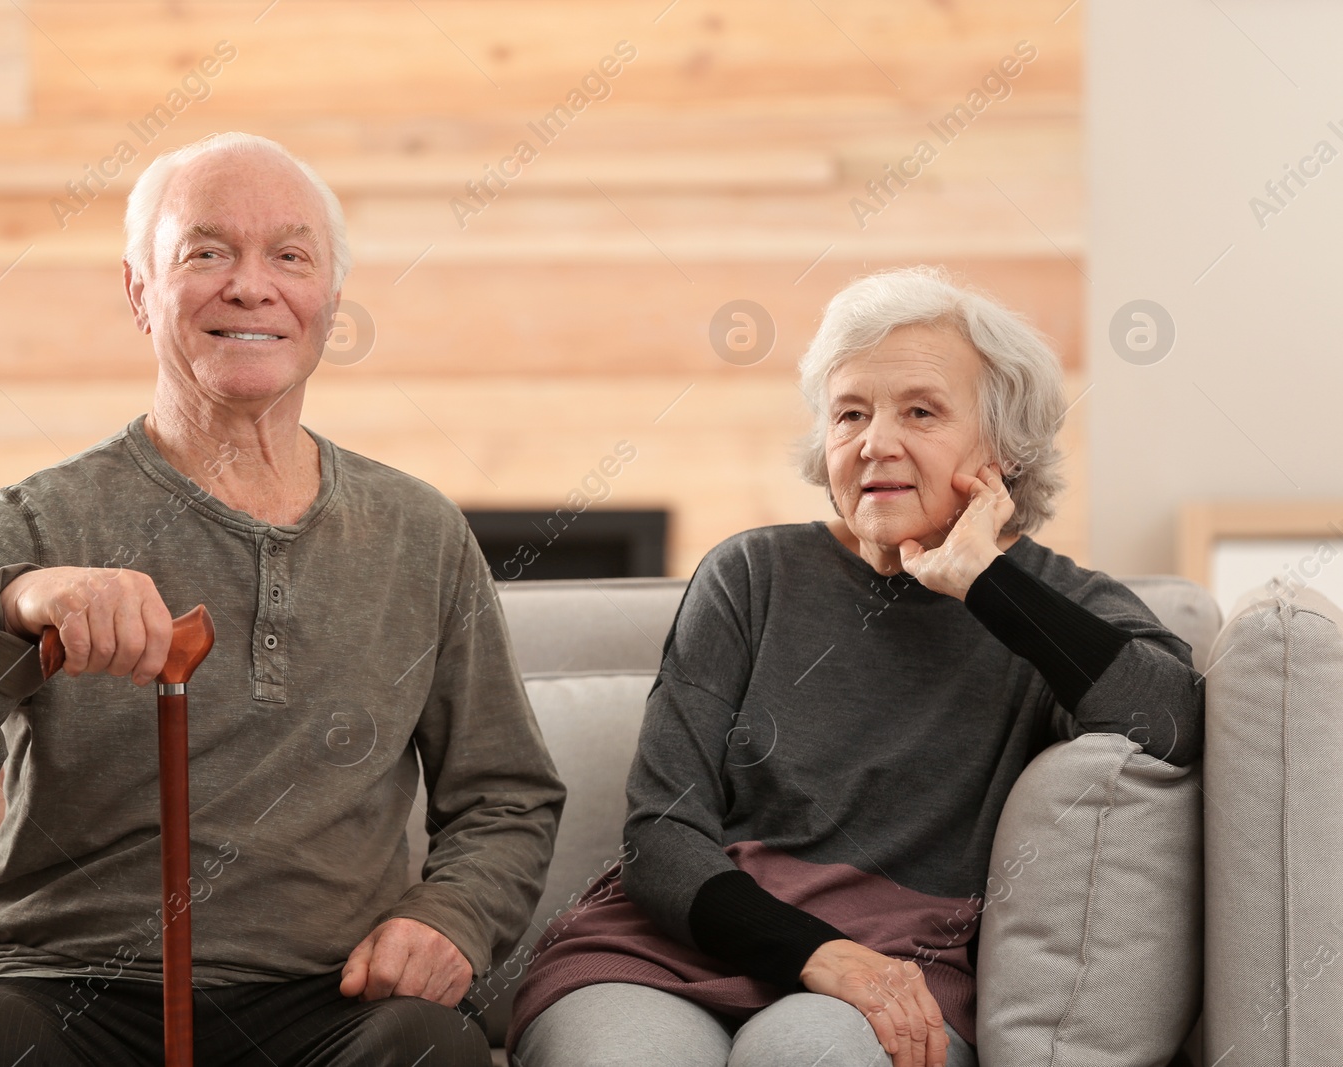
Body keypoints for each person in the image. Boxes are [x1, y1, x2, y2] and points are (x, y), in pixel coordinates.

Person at [0, 131, 565, 1067]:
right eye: (206, 252)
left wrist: (453, 917)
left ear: (329, 303)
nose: (251, 286)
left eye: (289, 257)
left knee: (433, 1054)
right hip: (65, 984)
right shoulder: (39, 521)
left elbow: (506, 794)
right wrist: (10, 614)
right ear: (140, 291)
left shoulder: (420, 534)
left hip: (329, 994)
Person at [506, 266, 1203, 1067]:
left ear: (1003, 449)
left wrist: (986, 582)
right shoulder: (752, 574)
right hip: (669, 952)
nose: (876, 442)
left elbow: (1173, 718)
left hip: (900, 970)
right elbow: (662, 837)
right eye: (850, 412)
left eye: (920, 410)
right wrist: (815, 951)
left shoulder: (1047, 605)